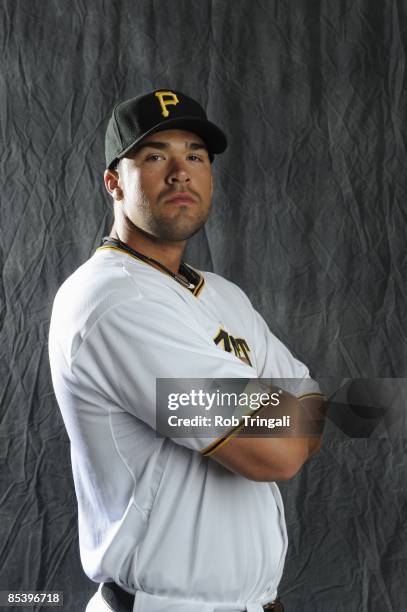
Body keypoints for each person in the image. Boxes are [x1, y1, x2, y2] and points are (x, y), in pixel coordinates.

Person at [48, 89, 325, 612]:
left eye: (195, 155)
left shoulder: (223, 295)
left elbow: (313, 402)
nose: (181, 172)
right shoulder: (111, 301)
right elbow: (279, 450)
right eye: (155, 156)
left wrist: (285, 414)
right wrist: (279, 413)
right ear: (113, 182)